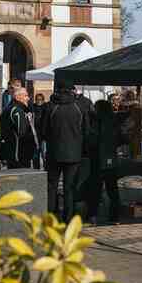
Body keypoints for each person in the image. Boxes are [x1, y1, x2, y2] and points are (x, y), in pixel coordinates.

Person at [42, 82, 88, 223]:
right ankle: (68, 218)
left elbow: (44, 131)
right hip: (74, 154)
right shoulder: (79, 107)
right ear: (71, 91)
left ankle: (50, 216)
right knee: (69, 188)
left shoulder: (50, 107)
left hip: (54, 153)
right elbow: (86, 131)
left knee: (52, 186)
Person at [86, 99, 121, 225]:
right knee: (113, 190)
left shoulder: (96, 120)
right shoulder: (114, 120)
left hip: (98, 159)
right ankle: (115, 217)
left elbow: (92, 140)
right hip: (111, 158)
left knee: (95, 189)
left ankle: (93, 216)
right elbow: (120, 138)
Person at [0, 87, 37, 170]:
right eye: (26, 96)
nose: (28, 98)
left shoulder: (9, 108)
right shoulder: (17, 111)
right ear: (18, 97)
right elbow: (22, 133)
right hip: (19, 153)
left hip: (11, 151)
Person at [32, 92, 47, 169]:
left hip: (44, 135)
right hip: (35, 135)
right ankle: (36, 170)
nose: (39, 101)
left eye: (40, 100)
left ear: (43, 100)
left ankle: (46, 169)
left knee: (44, 154)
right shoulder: (33, 108)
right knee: (35, 155)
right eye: (37, 99)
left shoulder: (46, 108)